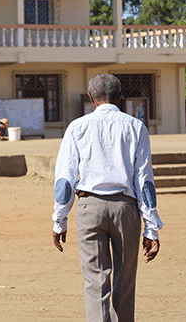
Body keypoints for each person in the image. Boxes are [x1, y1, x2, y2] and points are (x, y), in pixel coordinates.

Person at [52, 74, 162, 322]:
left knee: (95, 281)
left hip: (89, 207)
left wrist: (59, 220)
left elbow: (65, 179)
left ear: (91, 98)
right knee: (124, 280)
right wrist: (151, 228)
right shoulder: (136, 127)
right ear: (120, 97)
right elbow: (144, 182)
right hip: (125, 208)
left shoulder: (77, 127)